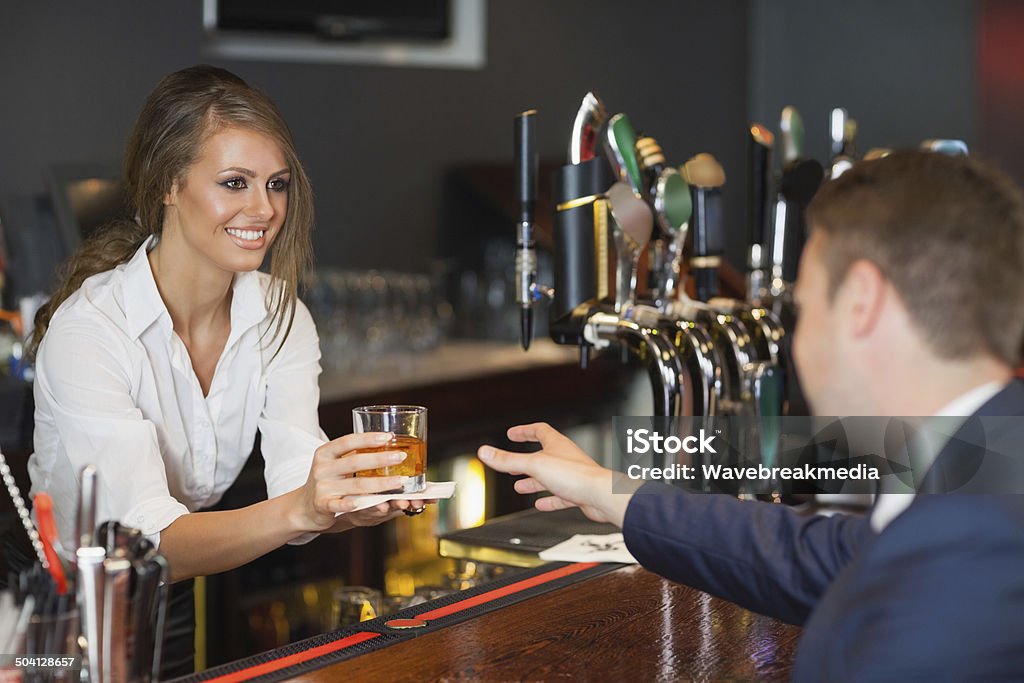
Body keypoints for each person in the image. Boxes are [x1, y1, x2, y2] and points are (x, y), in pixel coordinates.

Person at [479, 150, 1024, 681]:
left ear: (862, 302)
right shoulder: (984, 461)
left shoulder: (962, 561)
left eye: (803, 308)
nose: (793, 340)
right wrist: (609, 490)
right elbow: (824, 561)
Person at [26, 65, 428, 675]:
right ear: (167, 184)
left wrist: (352, 501)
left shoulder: (278, 314)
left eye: (277, 184)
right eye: (234, 182)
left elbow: (298, 480)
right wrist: (304, 510)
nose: (263, 209)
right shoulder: (90, 331)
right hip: (62, 604)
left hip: (176, 584)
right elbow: (149, 539)